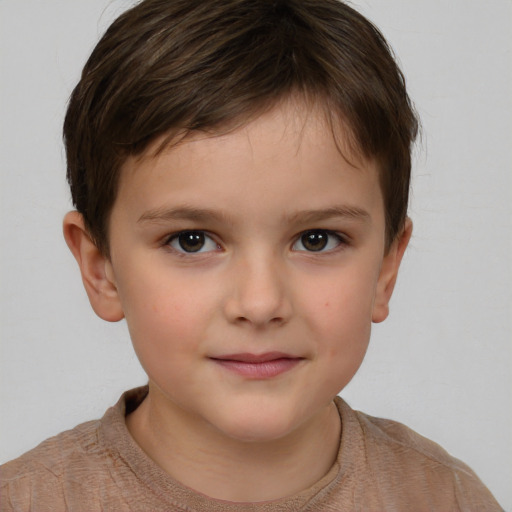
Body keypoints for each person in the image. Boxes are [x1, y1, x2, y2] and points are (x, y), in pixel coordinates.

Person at [0, 0, 503, 510]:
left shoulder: (446, 498)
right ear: (100, 268)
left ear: (386, 269)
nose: (260, 303)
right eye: (192, 240)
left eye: (317, 239)